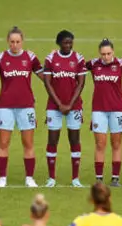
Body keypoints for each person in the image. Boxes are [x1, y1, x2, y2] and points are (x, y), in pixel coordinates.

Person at [0, 26, 44, 188]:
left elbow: (44, 76)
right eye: (12, 42)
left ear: (22, 41)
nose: (15, 45)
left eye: (18, 42)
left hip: (26, 106)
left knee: (28, 143)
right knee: (3, 143)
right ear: (8, 41)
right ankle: (2, 178)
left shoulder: (30, 57)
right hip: (5, 106)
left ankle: (29, 178)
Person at [43, 30, 87, 188]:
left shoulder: (79, 58)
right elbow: (47, 83)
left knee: (74, 140)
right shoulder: (50, 59)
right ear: (59, 43)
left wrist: (69, 104)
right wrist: (59, 104)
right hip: (54, 106)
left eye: (70, 42)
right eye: (65, 42)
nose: (68, 45)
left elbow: (81, 83)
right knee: (52, 140)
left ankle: (75, 178)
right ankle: (51, 178)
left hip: (74, 107)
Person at [86, 39, 122, 186]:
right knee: (100, 144)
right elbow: (75, 66)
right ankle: (99, 178)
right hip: (99, 110)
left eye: (108, 54)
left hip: (117, 109)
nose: (106, 57)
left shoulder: (121, 63)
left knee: (116, 143)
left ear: (113, 52)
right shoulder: (93, 64)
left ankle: (115, 178)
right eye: (103, 54)